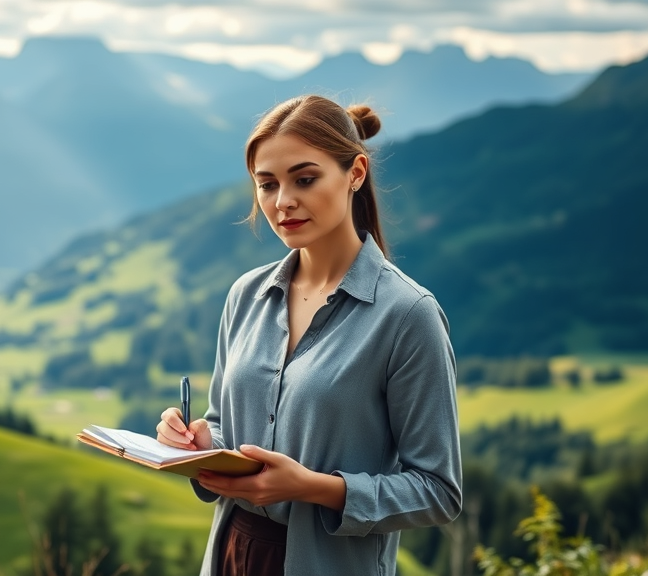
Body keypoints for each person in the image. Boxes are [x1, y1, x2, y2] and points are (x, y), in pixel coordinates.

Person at [156, 94, 462, 576]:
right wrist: (197, 443)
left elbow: (438, 492)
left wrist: (311, 487)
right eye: (267, 184)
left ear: (355, 173)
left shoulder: (408, 316)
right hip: (232, 556)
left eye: (305, 179)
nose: (283, 202)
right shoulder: (246, 296)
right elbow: (222, 425)